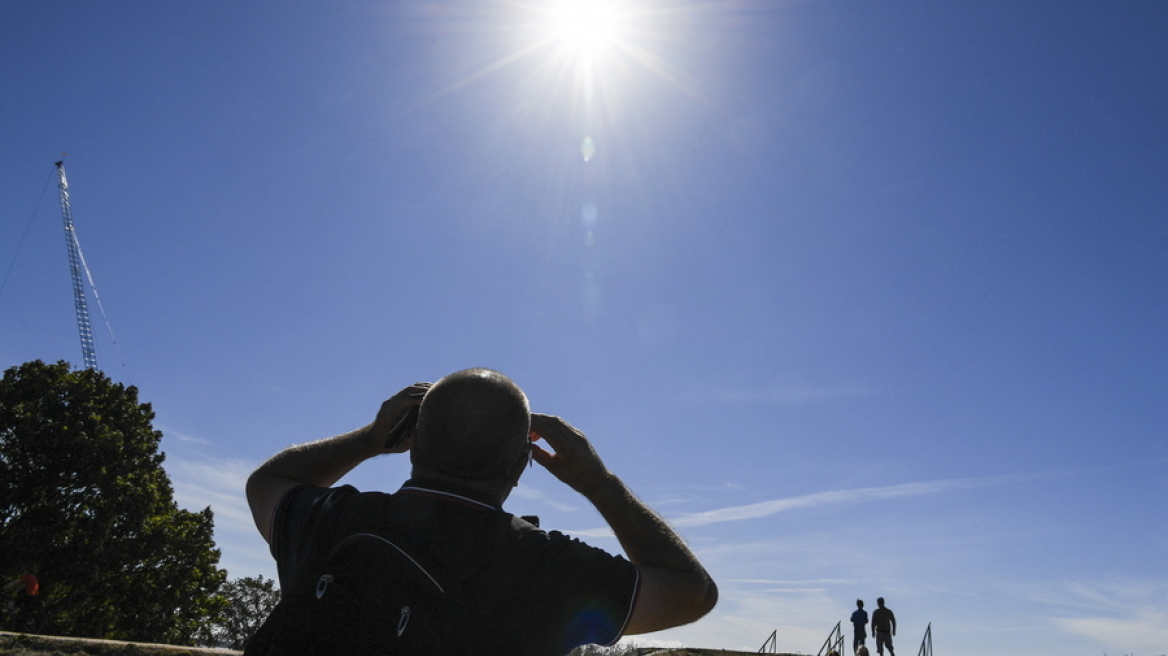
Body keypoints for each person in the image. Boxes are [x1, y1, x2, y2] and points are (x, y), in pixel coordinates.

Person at [246, 368, 717, 655]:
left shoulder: (327, 519)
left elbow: (265, 484)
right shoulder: (549, 570)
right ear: (519, 465)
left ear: (411, 446)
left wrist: (369, 439)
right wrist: (600, 484)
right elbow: (694, 594)